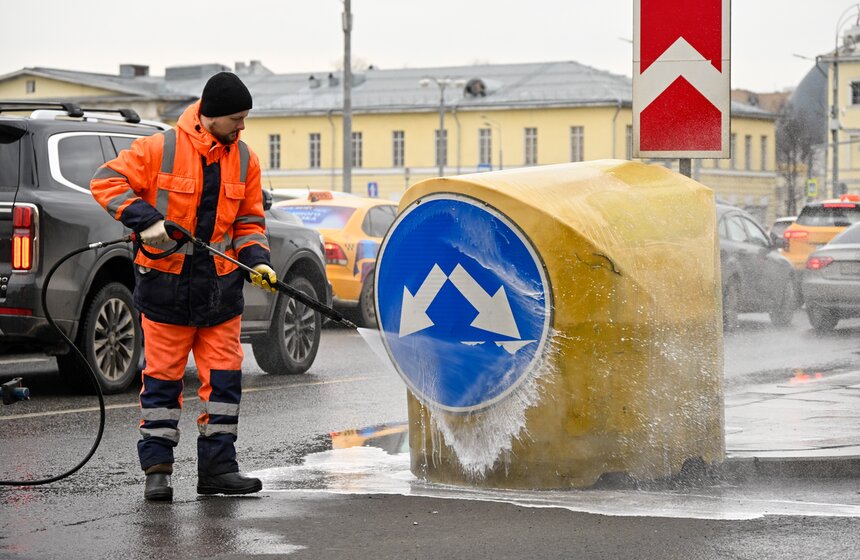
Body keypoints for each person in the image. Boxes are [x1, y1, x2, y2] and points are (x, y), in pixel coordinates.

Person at [91, 72, 277, 501]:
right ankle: (157, 472)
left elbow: (249, 222)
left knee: (224, 381)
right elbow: (105, 181)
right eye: (236, 119)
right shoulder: (159, 148)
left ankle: (218, 470)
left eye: (245, 118)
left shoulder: (245, 159)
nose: (242, 127)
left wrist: (258, 261)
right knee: (163, 383)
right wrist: (147, 220)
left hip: (220, 289)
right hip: (166, 287)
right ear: (210, 116)